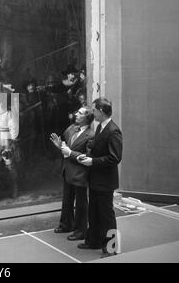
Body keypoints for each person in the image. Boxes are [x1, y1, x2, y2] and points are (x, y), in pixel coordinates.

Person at [77, 97, 123, 258]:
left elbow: (115, 158)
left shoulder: (113, 130)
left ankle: (112, 247)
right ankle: (94, 241)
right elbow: (98, 151)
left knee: (106, 215)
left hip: (105, 181)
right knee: (94, 212)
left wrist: (93, 161)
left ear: (102, 111)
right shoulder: (100, 128)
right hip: (96, 179)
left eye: (94, 110)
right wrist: (87, 156)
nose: (93, 113)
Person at [50, 106, 94, 241]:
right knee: (67, 200)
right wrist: (60, 146)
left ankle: (81, 231)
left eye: (80, 113)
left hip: (80, 173)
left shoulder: (91, 135)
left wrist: (70, 153)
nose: (76, 114)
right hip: (68, 170)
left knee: (81, 204)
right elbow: (66, 145)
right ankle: (66, 224)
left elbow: (88, 156)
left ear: (87, 118)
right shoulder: (71, 129)